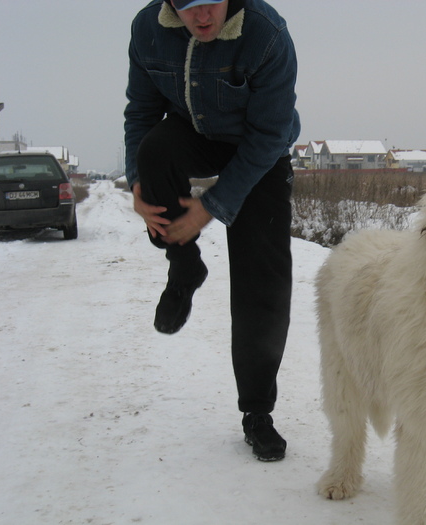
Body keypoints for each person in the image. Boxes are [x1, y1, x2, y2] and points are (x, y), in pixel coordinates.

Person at [124, 0, 300, 462]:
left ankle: (257, 413)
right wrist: (137, 183)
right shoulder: (147, 29)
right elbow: (141, 111)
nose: (201, 18)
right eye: (188, 7)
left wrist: (211, 208)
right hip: (193, 138)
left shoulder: (266, 34)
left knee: (263, 282)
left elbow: (270, 134)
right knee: (154, 152)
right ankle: (184, 268)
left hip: (259, 152)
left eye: (210, 4)